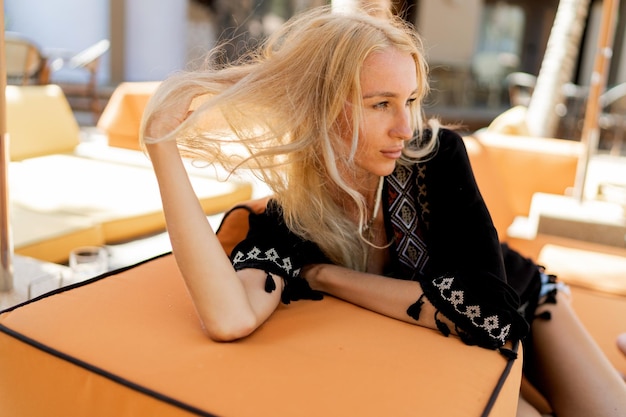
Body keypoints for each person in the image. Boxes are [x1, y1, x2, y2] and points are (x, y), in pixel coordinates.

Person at [141, 6, 626, 416]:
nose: (404, 125)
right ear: (324, 108)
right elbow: (229, 319)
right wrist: (161, 148)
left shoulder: (435, 158)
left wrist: (325, 276)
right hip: (458, 351)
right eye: (380, 104)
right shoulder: (290, 219)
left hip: (526, 301)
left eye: (410, 100)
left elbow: (491, 317)